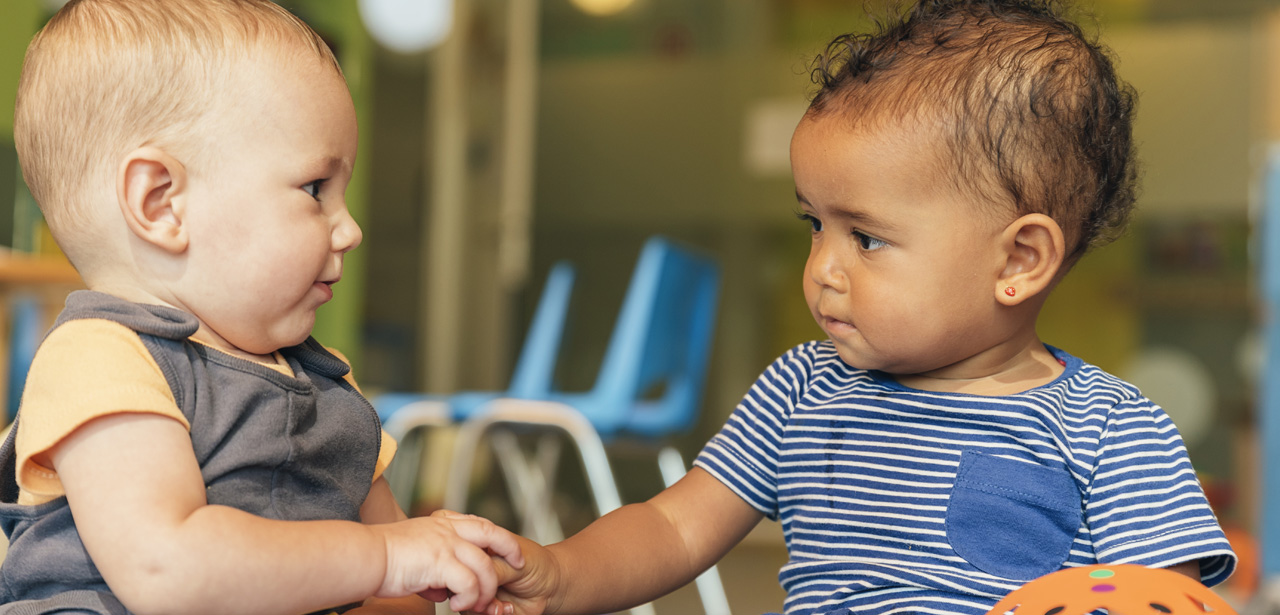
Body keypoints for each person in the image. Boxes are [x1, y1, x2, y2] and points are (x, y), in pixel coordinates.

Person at [480, 1, 1237, 614]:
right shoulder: (802, 389)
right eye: (815, 225)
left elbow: (1160, 597)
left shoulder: (1109, 428)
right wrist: (561, 572)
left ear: (1018, 260)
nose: (822, 270)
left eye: (867, 238)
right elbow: (674, 527)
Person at [0, 1, 522, 614]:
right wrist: (383, 559)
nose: (349, 229)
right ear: (161, 202)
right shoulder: (101, 358)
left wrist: (444, 578)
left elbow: (398, 594)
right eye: (314, 189)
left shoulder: (328, 386)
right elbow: (168, 570)